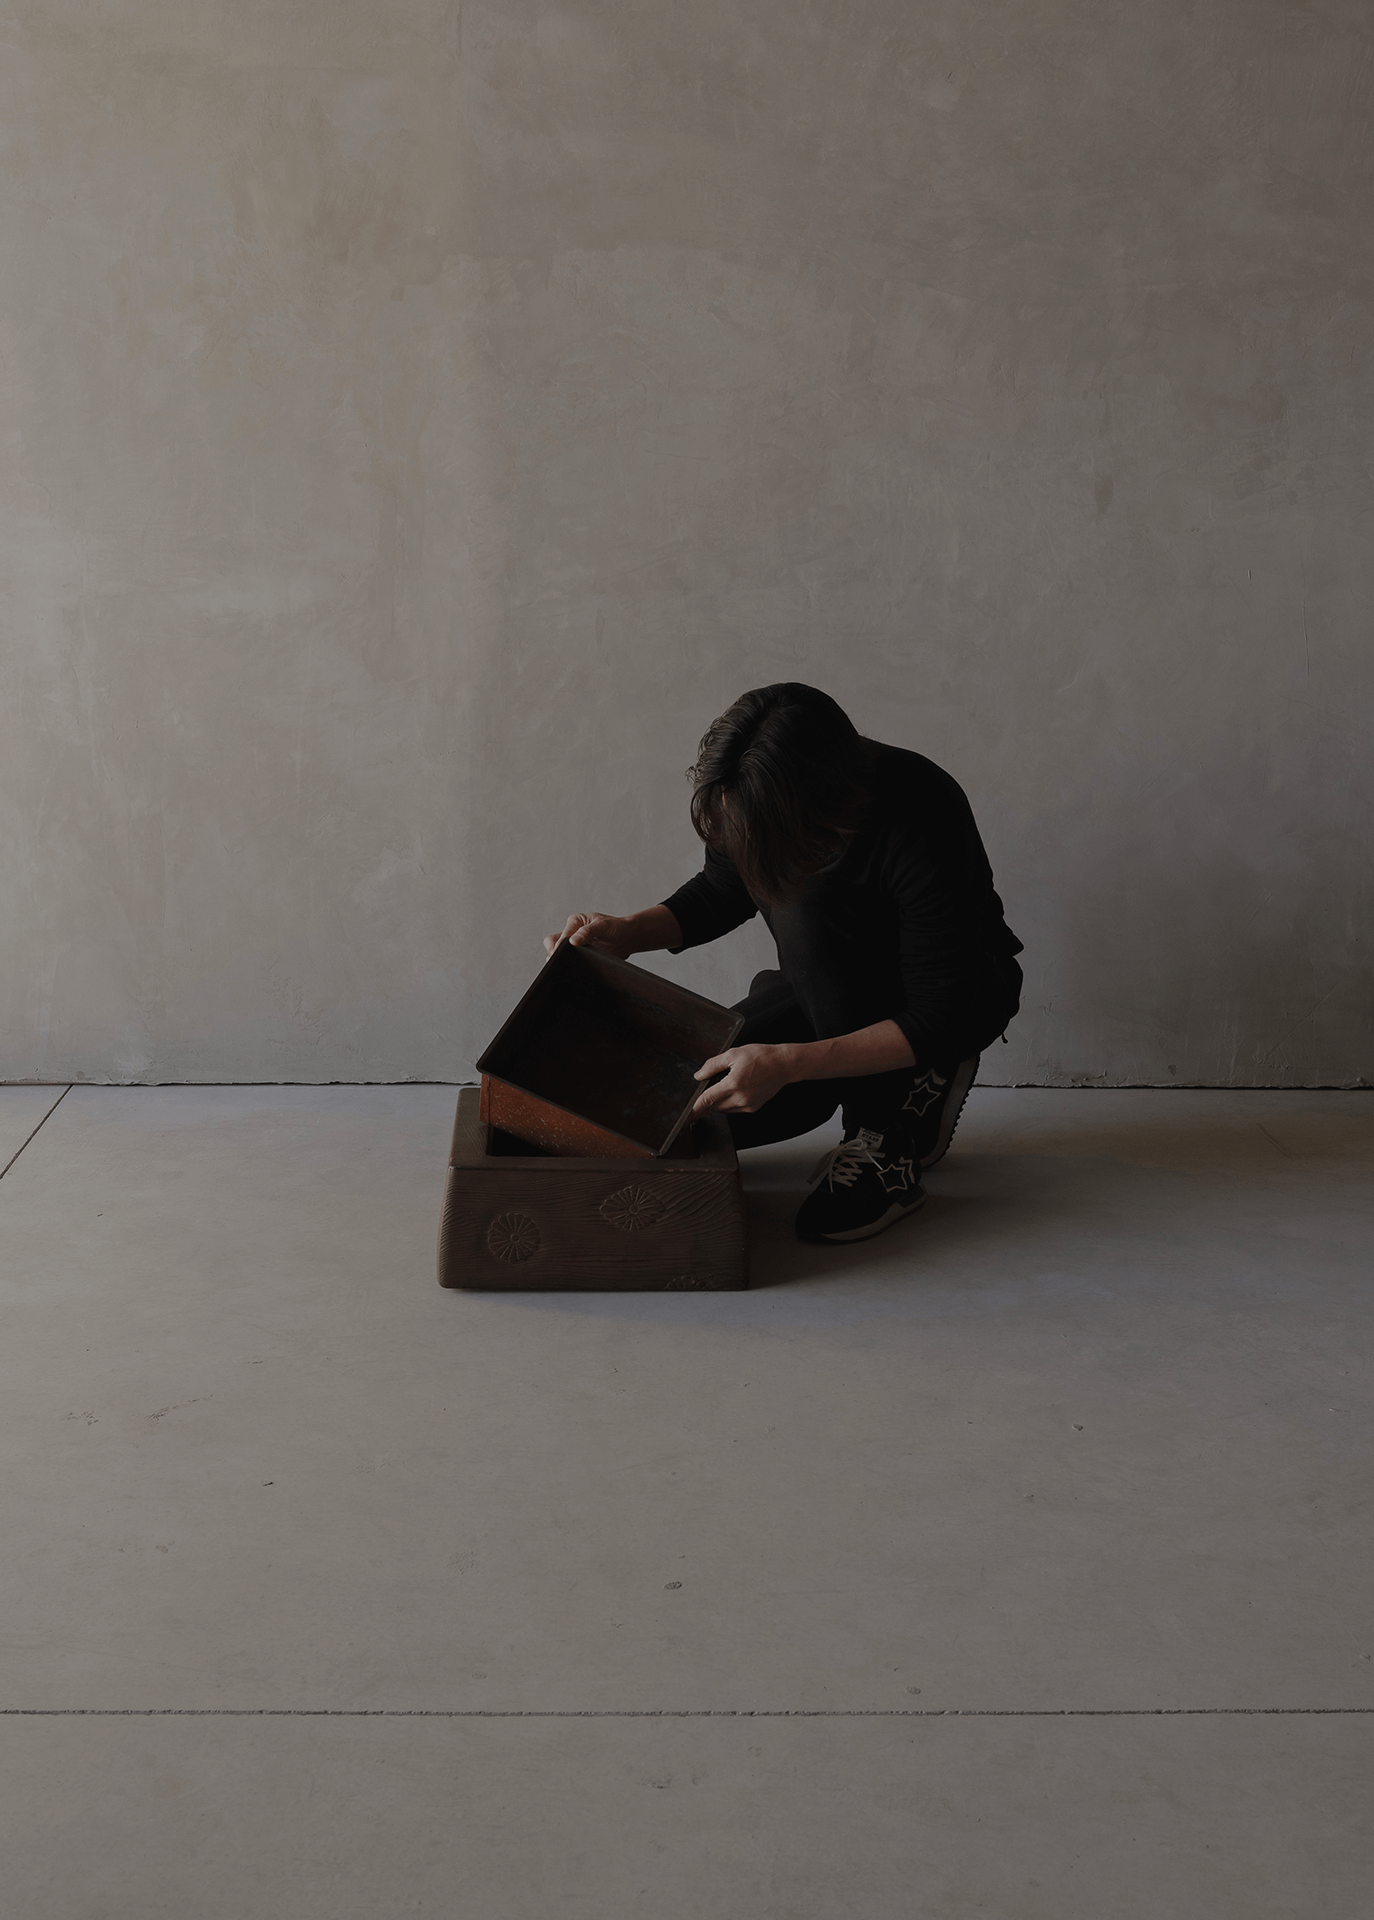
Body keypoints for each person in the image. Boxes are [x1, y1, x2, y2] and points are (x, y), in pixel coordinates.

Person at [544, 683, 1023, 1244]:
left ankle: (886, 1135)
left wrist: (790, 1064)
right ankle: (906, 1085)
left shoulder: (921, 811)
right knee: (687, 1104)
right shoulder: (748, 789)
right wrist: (628, 933)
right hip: (822, 986)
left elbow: (941, 1009)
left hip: (949, 997)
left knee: (806, 908)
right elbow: (723, 886)